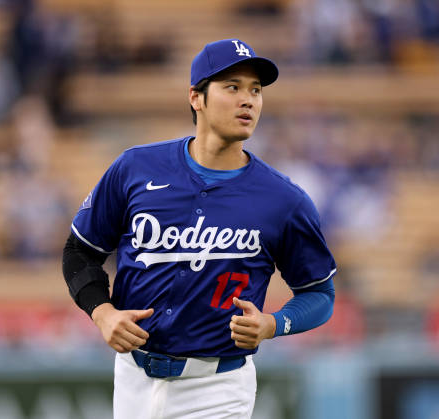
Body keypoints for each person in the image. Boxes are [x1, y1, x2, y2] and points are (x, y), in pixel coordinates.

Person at [62, 39, 336, 419]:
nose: (248, 100)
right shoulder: (135, 168)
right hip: (131, 378)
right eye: (233, 87)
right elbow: (80, 252)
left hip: (218, 387)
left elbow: (320, 293)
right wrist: (102, 312)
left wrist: (273, 324)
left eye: (256, 90)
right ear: (196, 97)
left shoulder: (284, 200)